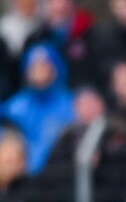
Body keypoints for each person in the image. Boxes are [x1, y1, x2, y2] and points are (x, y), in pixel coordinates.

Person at [1, 42, 74, 175]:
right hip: (22, 177)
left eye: (44, 67)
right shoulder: (15, 107)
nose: (39, 72)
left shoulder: (70, 103)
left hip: (61, 176)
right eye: (34, 67)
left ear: (55, 69)